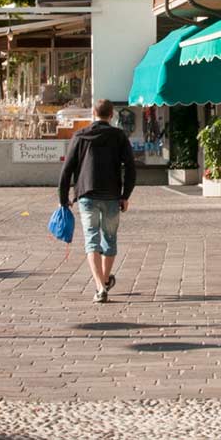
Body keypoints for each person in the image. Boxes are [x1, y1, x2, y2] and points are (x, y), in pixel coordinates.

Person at [58, 99, 137, 303]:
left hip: (87, 194)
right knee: (109, 239)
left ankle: (101, 286)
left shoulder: (80, 136)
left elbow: (66, 170)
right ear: (112, 115)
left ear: (93, 113)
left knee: (91, 239)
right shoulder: (119, 136)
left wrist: (63, 199)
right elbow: (130, 167)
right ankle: (104, 280)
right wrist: (125, 195)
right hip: (111, 195)